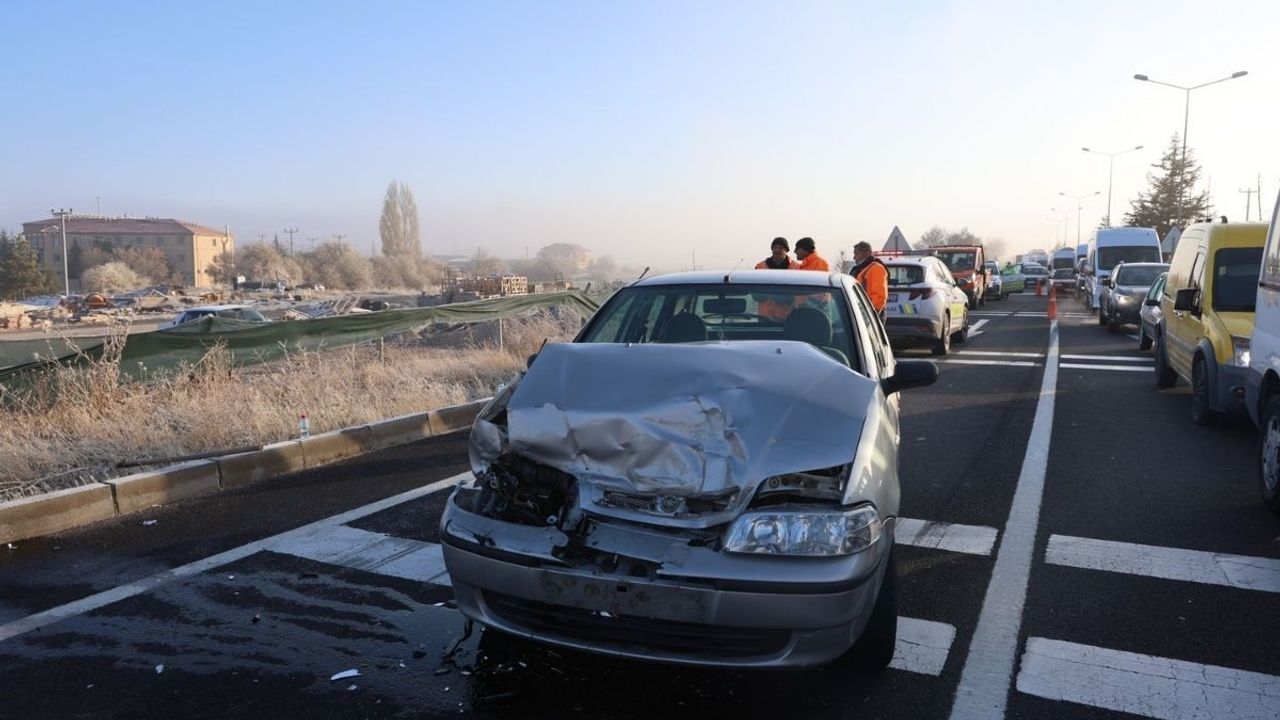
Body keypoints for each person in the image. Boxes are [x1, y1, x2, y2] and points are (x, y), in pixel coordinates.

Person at [754, 237, 795, 320]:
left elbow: (799, 295)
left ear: (786, 250)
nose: (777, 250)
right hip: (764, 315)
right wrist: (762, 295)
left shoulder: (796, 268)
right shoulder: (760, 267)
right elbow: (754, 291)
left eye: (780, 248)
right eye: (775, 247)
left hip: (787, 316)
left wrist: (786, 299)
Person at [850, 241, 889, 316]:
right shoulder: (863, 269)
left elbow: (879, 296)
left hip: (872, 313)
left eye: (856, 254)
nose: (854, 257)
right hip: (865, 311)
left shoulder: (876, 269)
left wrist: (873, 315)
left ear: (867, 253)